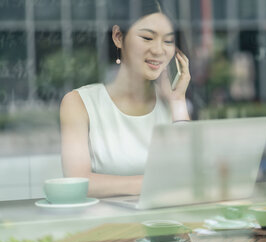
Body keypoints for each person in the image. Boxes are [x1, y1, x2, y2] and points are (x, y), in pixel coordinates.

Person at [60, 0, 191, 198]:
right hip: (105, 227)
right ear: (118, 37)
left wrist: (178, 101)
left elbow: (190, 175)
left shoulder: (172, 104)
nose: (158, 50)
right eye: (147, 37)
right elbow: (77, 182)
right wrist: (156, 183)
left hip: (166, 225)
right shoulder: (79, 103)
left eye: (168, 41)